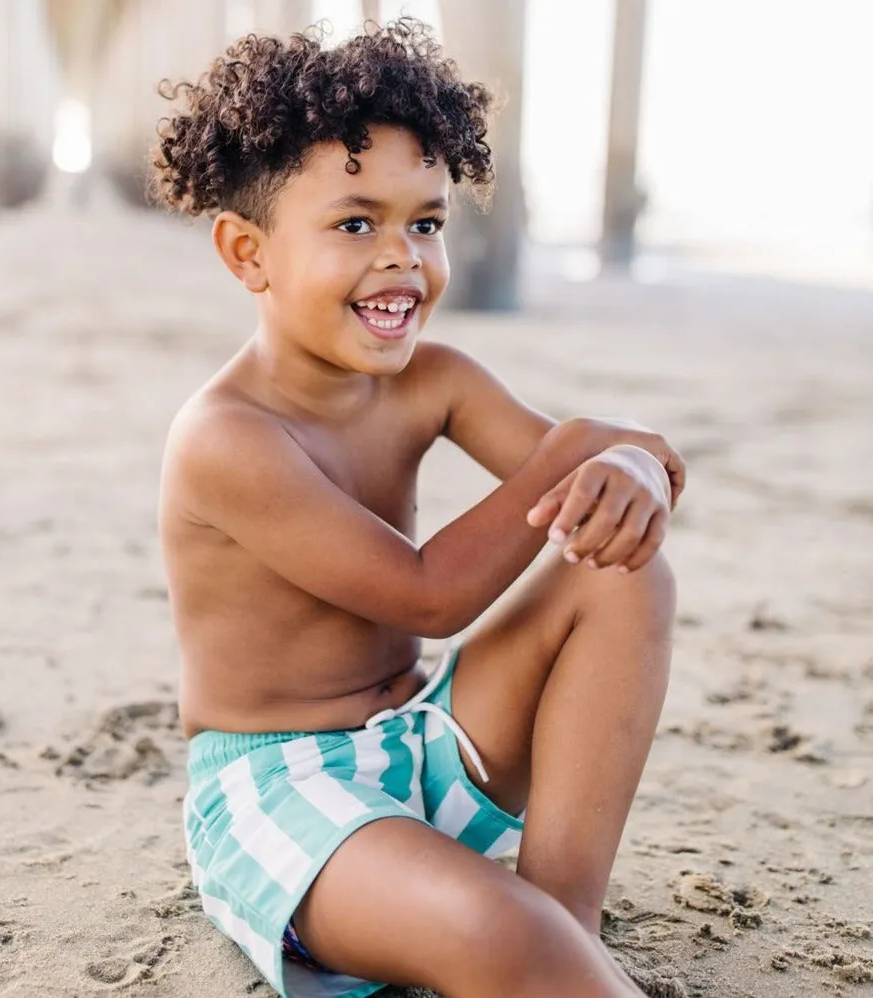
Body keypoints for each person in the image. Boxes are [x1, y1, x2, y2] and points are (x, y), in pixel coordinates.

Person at [154, 19, 684, 998]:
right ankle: (530, 942)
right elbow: (424, 596)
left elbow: (595, 470)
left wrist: (630, 468)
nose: (402, 259)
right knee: (492, 930)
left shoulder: (432, 377)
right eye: (355, 224)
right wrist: (580, 444)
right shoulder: (225, 437)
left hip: (423, 740)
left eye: (426, 222)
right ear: (247, 252)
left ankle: (565, 914)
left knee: (620, 562)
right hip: (283, 792)